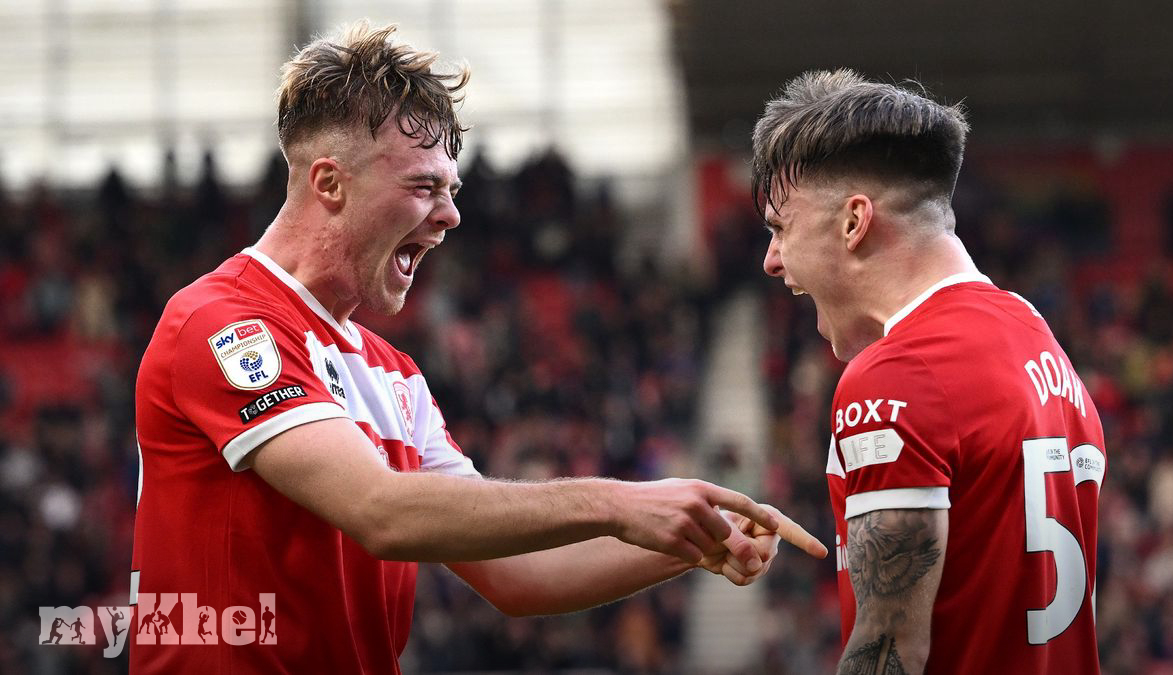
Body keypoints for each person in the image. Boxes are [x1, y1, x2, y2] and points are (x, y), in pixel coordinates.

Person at [130, 22, 825, 673]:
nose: (452, 214)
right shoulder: (223, 324)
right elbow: (381, 510)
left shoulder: (394, 374)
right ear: (330, 183)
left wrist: (697, 540)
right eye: (423, 186)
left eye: (451, 188)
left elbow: (518, 576)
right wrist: (618, 501)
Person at [753, 70, 1106, 674]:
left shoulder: (895, 376)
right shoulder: (1033, 333)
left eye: (781, 228)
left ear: (853, 221)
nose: (771, 260)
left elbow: (890, 650)